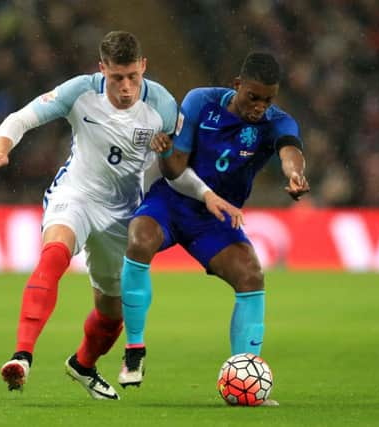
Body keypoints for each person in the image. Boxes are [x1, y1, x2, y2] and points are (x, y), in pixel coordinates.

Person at [0, 31, 190, 400]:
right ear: (102, 68)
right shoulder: (80, 91)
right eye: (116, 78)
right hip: (76, 194)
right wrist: (1, 148)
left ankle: (83, 364)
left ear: (143, 67)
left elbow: (175, 164)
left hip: (123, 213)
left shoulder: (164, 105)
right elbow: (21, 118)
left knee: (111, 316)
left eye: (132, 77)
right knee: (54, 255)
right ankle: (22, 356)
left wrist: (167, 151)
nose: (125, 87)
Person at [117, 53, 310, 402]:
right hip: (172, 202)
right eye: (253, 97)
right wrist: (206, 195)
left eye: (268, 99)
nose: (260, 107)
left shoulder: (275, 122)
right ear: (237, 85)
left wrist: (295, 173)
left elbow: (289, 150)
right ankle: (134, 349)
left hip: (216, 221)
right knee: (139, 240)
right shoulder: (201, 101)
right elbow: (174, 168)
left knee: (251, 275)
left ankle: (245, 376)